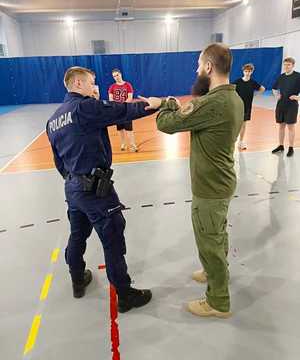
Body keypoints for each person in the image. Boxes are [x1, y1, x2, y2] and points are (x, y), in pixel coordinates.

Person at [140, 43, 243, 318]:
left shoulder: (213, 102)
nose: (197, 70)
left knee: (209, 242)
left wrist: (162, 105)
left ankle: (218, 301)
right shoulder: (232, 98)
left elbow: (167, 124)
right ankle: (214, 272)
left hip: (210, 187)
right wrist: (172, 104)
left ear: (209, 67)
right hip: (222, 181)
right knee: (217, 233)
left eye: (199, 64)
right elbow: (194, 111)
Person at [46, 66, 154, 313]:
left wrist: (75, 180)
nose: (95, 87)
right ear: (77, 83)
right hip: (96, 190)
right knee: (113, 238)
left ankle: (77, 279)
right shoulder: (84, 107)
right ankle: (125, 295)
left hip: (73, 188)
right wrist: (154, 105)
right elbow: (121, 110)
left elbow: (58, 162)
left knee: (77, 234)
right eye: (91, 82)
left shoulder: (53, 120)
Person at [272, 57, 300, 157]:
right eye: (285, 64)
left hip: (292, 106)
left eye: (288, 65)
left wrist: (298, 97)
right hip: (281, 105)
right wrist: (276, 95)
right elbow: (274, 88)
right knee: (281, 126)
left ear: (293, 65)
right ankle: (280, 145)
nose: (286, 66)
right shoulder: (281, 76)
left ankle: (291, 147)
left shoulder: (298, 76)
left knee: (291, 127)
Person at [234, 63, 265, 149]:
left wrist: (254, 95)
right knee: (236, 123)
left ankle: (241, 142)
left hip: (247, 106)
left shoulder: (253, 83)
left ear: (252, 72)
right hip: (237, 106)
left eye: (249, 71)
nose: (247, 73)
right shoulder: (237, 82)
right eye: (246, 71)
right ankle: (233, 141)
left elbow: (262, 89)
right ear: (243, 71)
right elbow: (231, 91)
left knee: (243, 124)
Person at [108, 69, 138, 152]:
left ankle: (132, 145)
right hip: (117, 111)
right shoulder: (112, 87)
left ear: (120, 74)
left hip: (127, 110)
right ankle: (123, 144)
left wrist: (123, 105)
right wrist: (116, 106)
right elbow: (111, 99)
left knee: (129, 129)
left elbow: (130, 97)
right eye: (114, 76)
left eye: (117, 75)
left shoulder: (128, 85)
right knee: (120, 129)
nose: (116, 77)